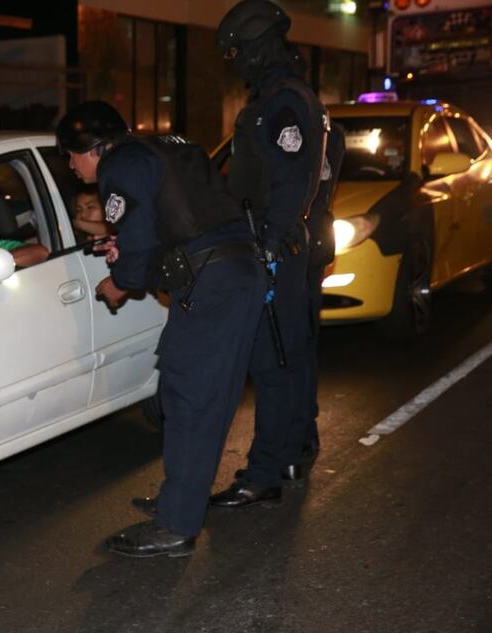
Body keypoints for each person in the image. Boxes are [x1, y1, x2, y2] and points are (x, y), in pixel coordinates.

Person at [56, 100, 266, 557]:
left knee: (190, 400)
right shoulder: (160, 149)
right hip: (237, 272)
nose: (71, 166)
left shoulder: (119, 164)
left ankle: (175, 527)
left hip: (213, 285)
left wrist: (121, 282)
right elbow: (174, 221)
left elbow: (140, 247)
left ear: (92, 148)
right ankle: (181, 502)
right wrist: (129, 247)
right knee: (196, 397)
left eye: (71, 155)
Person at [208, 0, 329, 508]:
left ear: (259, 46)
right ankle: (295, 450)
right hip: (291, 242)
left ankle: (264, 474)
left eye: (238, 51)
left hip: (276, 244)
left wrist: (273, 244)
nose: (235, 62)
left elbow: (290, 179)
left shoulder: (282, 102)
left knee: (273, 359)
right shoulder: (293, 95)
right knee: (293, 354)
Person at [285, 121, 345, 477]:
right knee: (298, 346)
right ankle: (301, 431)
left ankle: (301, 432)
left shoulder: (319, 134)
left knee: (298, 346)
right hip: (307, 248)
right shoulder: (323, 133)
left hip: (303, 251)